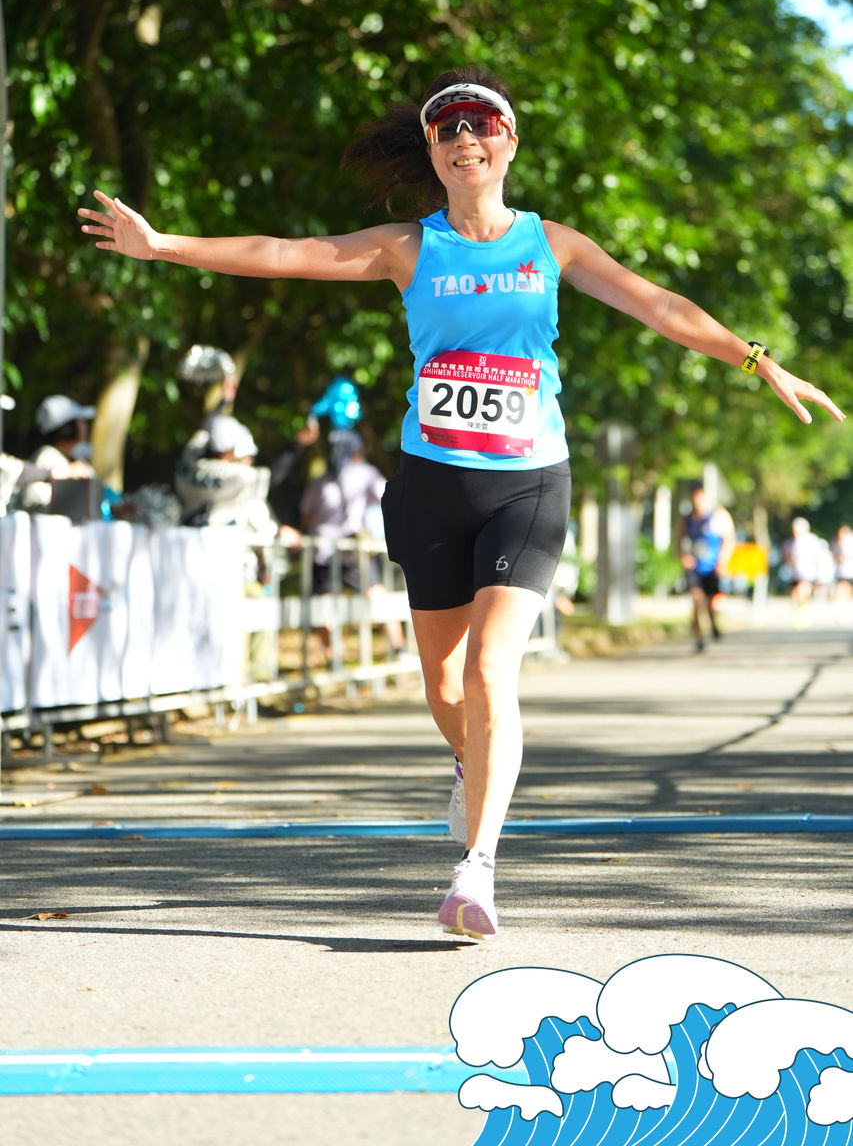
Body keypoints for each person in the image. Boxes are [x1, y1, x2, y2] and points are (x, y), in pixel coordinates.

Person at [78, 64, 845, 940]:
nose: (464, 138)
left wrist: (757, 360)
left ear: (508, 142)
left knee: (488, 672)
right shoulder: (408, 247)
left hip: (528, 482)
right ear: (433, 152)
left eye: (480, 123)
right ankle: (469, 763)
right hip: (431, 485)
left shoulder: (552, 245)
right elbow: (286, 253)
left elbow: (660, 305)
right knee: (444, 686)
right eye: (447, 129)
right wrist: (163, 245)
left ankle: (476, 868)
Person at [300, 429, 406, 663]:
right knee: (377, 597)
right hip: (351, 552)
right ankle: (399, 650)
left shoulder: (320, 481)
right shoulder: (366, 473)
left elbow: (306, 516)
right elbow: (388, 497)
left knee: (325, 606)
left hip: (326, 552)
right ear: (356, 450)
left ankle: (333, 659)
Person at [14, 395, 99, 515]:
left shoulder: (75, 458)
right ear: (69, 427)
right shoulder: (47, 457)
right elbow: (36, 501)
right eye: (80, 421)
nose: (85, 426)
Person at [679, 482, 736, 652]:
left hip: (712, 568)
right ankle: (699, 639)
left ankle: (713, 624)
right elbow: (678, 540)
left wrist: (722, 560)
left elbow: (729, 539)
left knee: (711, 603)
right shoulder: (686, 519)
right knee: (697, 601)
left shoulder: (718, 515)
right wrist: (684, 556)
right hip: (694, 568)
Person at [782, 516, 824, 626]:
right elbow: (787, 557)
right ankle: (799, 610)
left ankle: (804, 611)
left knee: (802, 590)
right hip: (795, 573)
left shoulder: (812, 540)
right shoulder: (791, 542)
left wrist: (820, 572)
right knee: (795, 593)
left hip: (808, 572)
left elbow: (818, 556)